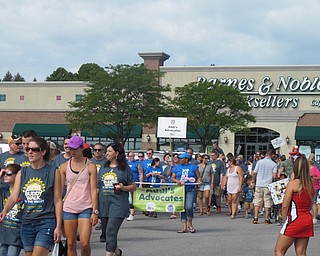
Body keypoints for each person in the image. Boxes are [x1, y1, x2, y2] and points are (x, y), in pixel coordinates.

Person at [0, 137, 62, 256]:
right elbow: (14, 197)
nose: (30, 152)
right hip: (27, 222)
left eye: (34, 149)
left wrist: (58, 226)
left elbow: (58, 200)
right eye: (28, 149)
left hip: (45, 221)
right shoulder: (22, 172)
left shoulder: (54, 171)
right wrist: (5, 210)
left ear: (43, 152)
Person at [59, 135, 98, 256]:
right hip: (69, 207)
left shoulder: (90, 166)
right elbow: (59, 192)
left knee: (84, 243)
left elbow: (93, 190)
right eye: (70, 148)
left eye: (75, 148)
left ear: (82, 148)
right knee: (70, 243)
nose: (73, 151)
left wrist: (94, 211)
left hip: (86, 206)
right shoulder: (64, 166)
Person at [98, 142, 136, 256]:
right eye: (107, 151)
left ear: (117, 153)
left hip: (118, 205)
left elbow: (133, 186)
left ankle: (108, 254)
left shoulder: (124, 168)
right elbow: (97, 187)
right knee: (107, 233)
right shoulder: (103, 168)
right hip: (104, 204)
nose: (106, 153)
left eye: (109, 151)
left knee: (111, 231)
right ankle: (117, 252)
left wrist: (123, 187)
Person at [274, 155, 315, 256]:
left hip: (294, 219)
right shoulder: (310, 184)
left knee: (279, 251)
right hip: (306, 219)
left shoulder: (293, 184)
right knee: (301, 253)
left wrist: (284, 220)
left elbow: (285, 205)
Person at [171, 152, 202, 233]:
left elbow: (198, 177)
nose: (180, 160)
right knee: (182, 207)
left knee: (189, 206)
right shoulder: (177, 167)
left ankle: (190, 224)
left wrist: (199, 181)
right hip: (180, 190)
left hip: (190, 189)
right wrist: (176, 180)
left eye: (182, 158)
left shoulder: (194, 167)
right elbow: (172, 178)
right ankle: (183, 226)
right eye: (180, 158)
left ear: (186, 159)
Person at [0, 164, 23, 256]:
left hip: (16, 235)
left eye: (8, 173)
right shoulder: (3, 190)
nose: (5, 176)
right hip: (3, 235)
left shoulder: (23, 191)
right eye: (4, 173)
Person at [252, 149, 277, 224]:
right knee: (267, 202)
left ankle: (255, 218)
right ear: (272, 155)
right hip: (267, 185)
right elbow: (274, 176)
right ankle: (267, 218)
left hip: (259, 183)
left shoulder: (259, 162)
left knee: (257, 201)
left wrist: (254, 180)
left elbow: (254, 172)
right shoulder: (273, 164)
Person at [126, 151, 142, 221]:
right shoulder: (125, 163)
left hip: (134, 183)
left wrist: (141, 183)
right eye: (130, 156)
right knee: (126, 199)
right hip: (126, 183)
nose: (131, 157)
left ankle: (132, 214)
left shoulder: (137, 164)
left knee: (132, 199)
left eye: (133, 156)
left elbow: (141, 173)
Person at [309, 158, 320, 224]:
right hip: (309, 187)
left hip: (315, 187)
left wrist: (313, 178)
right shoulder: (308, 170)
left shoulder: (314, 169)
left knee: (313, 202)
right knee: (311, 202)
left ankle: (314, 217)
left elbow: (319, 176)